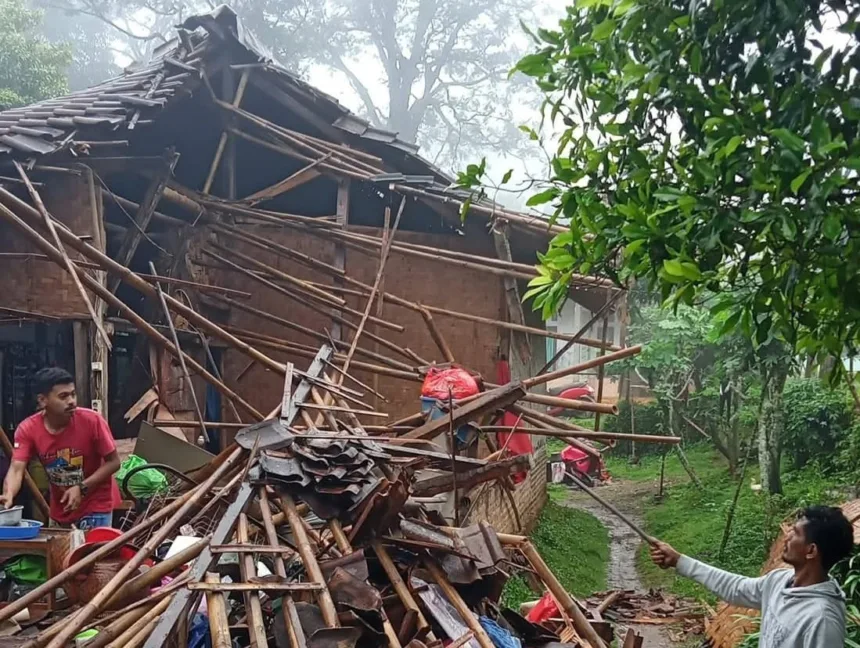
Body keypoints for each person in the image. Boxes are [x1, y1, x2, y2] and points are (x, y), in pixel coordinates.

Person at [650, 505, 854, 647]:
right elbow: (734, 587)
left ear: (811, 551)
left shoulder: (822, 619)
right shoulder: (780, 581)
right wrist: (679, 560)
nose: (787, 536)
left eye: (796, 533)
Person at [0, 367, 121, 530]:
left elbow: (114, 463)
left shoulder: (92, 421)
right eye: (63, 396)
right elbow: (16, 469)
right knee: (60, 554)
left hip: (96, 504)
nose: (71, 401)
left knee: (92, 554)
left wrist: (81, 488)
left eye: (73, 394)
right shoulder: (28, 429)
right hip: (61, 509)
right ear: (43, 400)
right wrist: (8, 494)